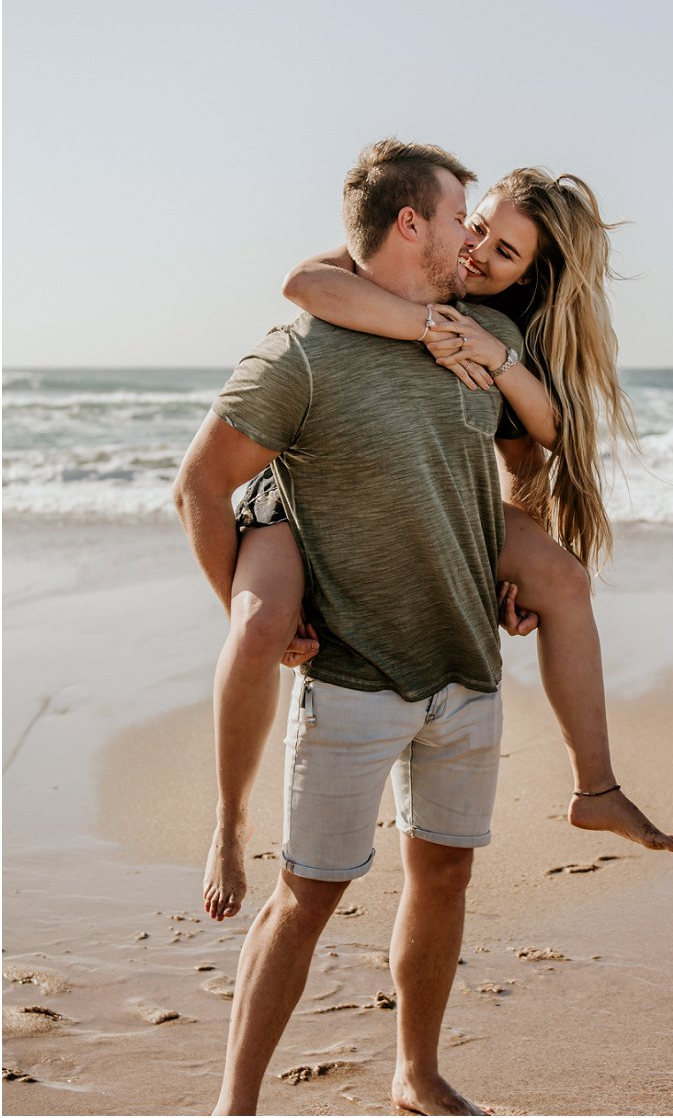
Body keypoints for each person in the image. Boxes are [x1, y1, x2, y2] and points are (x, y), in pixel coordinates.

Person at [200, 163, 673, 926]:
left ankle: (595, 787)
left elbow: (538, 446)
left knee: (560, 579)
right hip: (305, 491)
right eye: (479, 226)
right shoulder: (417, 283)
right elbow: (304, 282)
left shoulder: (496, 331)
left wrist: (489, 565)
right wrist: (425, 325)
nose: (477, 250)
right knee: (261, 623)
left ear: (529, 278)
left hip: (422, 495)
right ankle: (229, 823)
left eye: (503, 253)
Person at [175, 138, 545, 1116]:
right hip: (351, 673)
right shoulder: (305, 350)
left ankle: (416, 1074)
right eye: (460, 212)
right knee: (306, 897)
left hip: (467, 666)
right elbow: (201, 487)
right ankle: (235, 1103)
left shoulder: (478, 336)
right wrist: (256, 616)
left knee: (446, 879)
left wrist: (519, 562)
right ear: (409, 220)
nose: (473, 232)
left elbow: (527, 455)